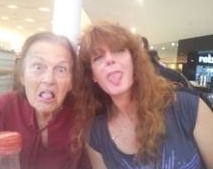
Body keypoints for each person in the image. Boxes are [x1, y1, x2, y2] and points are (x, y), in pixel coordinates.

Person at [74, 22, 213, 168]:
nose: (109, 59)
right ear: (92, 75)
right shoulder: (97, 134)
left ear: (133, 61)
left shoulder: (188, 107)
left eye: (118, 50)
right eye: (98, 57)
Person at [0, 32, 90, 169]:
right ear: (22, 76)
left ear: (71, 82)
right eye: (38, 67)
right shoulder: (6, 105)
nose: (49, 79)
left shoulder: (80, 112)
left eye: (61, 69)